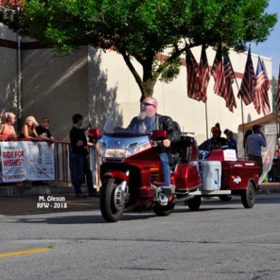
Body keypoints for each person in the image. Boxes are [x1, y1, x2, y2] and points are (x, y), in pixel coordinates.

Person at [127, 97, 181, 195]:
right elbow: (128, 131)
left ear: (154, 107)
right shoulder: (136, 121)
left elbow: (175, 133)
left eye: (146, 104)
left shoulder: (164, 120)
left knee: (162, 158)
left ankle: (166, 186)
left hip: (159, 150)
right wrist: (118, 132)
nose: (142, 106)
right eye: (142, 104)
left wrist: (168, 138)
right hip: (139, 151)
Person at [69, 113, 98, 197]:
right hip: (77, 154)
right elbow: (76, 144)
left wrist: (82, 142)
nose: (82, 121)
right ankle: (78, 192)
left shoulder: (80, 131)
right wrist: (80, 142)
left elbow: (84, 142)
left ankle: (91, 191)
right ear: (78, 120)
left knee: (88, 173)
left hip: (83, 154)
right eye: (81, 119)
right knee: (78, 174)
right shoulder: (73, 131)